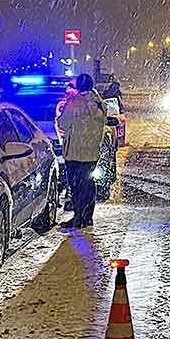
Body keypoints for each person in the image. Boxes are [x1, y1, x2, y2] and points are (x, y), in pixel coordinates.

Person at [56, 73, 108, 230]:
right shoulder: (100, 104)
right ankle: (87, 217)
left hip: (75, 152)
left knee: (76, 186)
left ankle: (78, 218)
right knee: (88, 185)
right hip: (92, 153)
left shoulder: (74, 103)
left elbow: (63, 124)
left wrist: (63, 112)